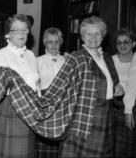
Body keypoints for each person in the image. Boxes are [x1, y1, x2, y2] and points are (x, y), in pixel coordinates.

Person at [41, 16, 123, 157]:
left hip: (107, 116)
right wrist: (41, 107)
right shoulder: (77, 57)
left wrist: (118, 88)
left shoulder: (107, 57)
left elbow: (113, 82)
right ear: (82, 37)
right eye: (88, 34)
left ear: (103, 35)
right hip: (84, 119)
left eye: (97, 33)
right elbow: (57, 86)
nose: (93, 37)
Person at [0, 14, 40, 158]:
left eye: (25, 30)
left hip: (30, 109)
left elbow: (36, 85)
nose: (22, 34)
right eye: (16, 30)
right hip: (9, 109)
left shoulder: (30, 55)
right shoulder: (0, 56)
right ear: (8, 34)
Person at [36, 27, 65, 158]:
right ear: (44, 43)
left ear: (61, 42)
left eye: (56, 41)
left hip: (63, 105)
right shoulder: (37, 61)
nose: (53, 45)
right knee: (45, 142)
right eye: (50, 42)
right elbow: (35, 86)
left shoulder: (67, 61)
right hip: (45, 105)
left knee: (61, 142)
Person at [111, 28, 136, 157]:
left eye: (126, 41)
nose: (122, 45)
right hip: (117, 107)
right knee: (119, 147)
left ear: (134, 43)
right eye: (119, 42)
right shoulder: (110, 60)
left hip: (134, 105)